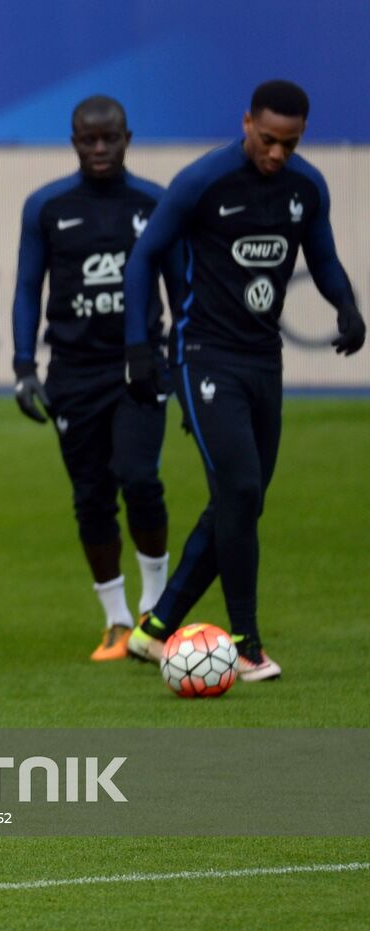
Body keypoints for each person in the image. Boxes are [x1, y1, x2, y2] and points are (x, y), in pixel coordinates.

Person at [123, 80, 365, 680]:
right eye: (267, 139)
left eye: (290, 143)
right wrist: (138, 345)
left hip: (264, 358)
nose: (277, 154)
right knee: (240, 491)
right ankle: (245, 639)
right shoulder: (203, 181)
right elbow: (143, 257)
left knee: (242, 499)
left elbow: (324, 257)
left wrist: (347, 305)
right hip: (203, 353)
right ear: (246, 123)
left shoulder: (306, 187)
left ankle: (156, 628)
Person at [10, 96, 182, 661]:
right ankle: (114, 619)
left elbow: (182, 287)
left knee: (139, 478)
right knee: (91, 497)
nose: (100, 149)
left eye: (110, 138)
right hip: (73, 374)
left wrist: (180, 357)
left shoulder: (156, 203)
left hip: (138, 366)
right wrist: (23, 366)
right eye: (89, 139)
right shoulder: (46, 207)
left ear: (128, 137)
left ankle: (155, 609)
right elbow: (27, 288)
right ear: (74, 141)